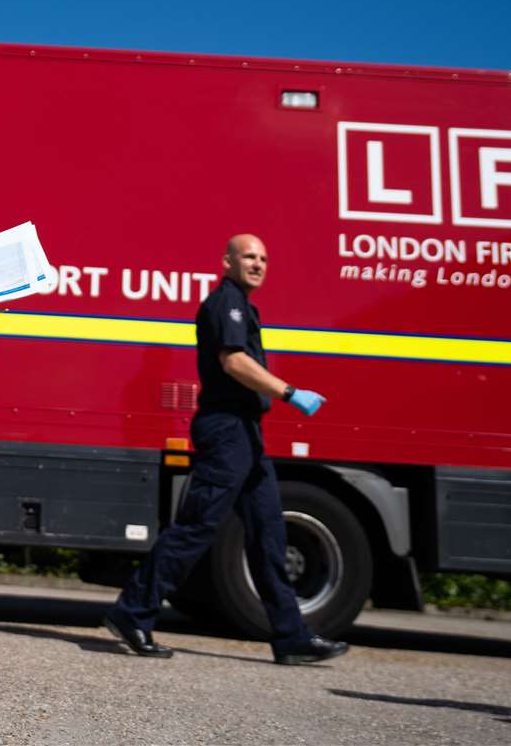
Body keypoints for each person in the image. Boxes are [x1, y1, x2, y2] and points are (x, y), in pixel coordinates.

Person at [103, 234, 348, 665]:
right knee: (197, 526)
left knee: (270, 535)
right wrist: (289, 392)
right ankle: (133, 613)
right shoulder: (226, 304)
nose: (257, 263)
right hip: (226, 431)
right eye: (248, 256)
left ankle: (291, 637)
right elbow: (232, 361)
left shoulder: (244, 306)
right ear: (228, 262)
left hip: (247, 434)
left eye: (263, 258)